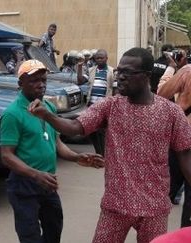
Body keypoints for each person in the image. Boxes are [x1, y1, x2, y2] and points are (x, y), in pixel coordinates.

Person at [28, 48, 191, 243]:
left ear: (146, 76)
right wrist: (47, 115)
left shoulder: (171, 113)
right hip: (116, 204)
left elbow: (185, 158)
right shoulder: (110, 106)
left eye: (127, 73)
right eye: (119, 71)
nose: (120, 77)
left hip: (154, 207)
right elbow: (74, 127)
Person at [0, 59, 104, 243]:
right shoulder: (12, 114)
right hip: (24, 186)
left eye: (43, 80)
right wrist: (35, 175)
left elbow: (57, 143)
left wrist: (77, 157)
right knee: (30, 237)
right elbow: (7, 155)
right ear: (20, 84)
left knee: (54, 231)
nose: (40, 85)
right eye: (33, 81)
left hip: (48, 183)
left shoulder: (48, 108)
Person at [157, 49, 191, 226]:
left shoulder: (187, 72)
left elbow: (162, 93)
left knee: (163, 191)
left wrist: (171, 69)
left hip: (183, 138)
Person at [77, 49, 115, 156]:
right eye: (97, 58)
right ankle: (99, 153)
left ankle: (103, 155)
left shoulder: (111, 72)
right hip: (92, 106)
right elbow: (80, 81)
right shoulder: (91, 70)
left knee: (102, 131)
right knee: (92, 130)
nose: (99, 60)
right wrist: (79, 67)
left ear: (106, 58)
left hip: (104, 107)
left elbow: (115, 89)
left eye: (101, 58)